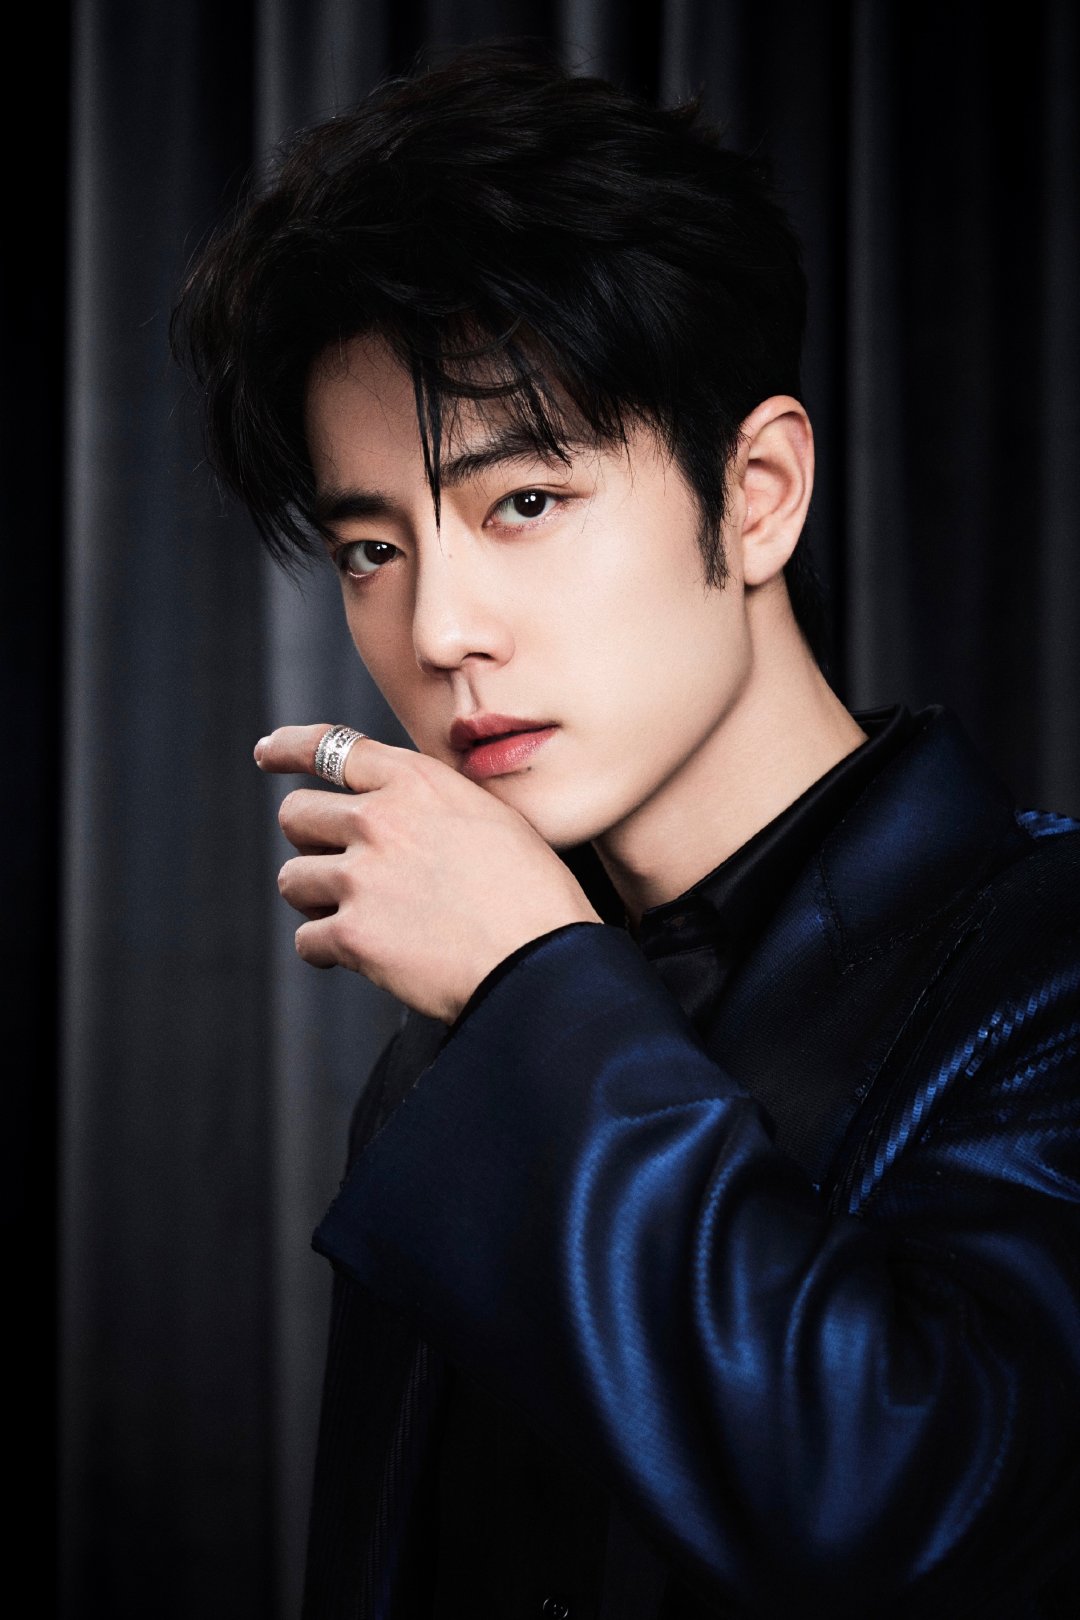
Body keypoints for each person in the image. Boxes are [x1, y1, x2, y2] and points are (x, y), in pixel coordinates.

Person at [171, 40, 1080, 1620]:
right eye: (374, 548)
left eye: (524, 502)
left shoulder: (1043, 963)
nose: (439, 632)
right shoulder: (472, 1031)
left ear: (759, 491)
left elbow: (912, 1508)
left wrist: (537, 988)